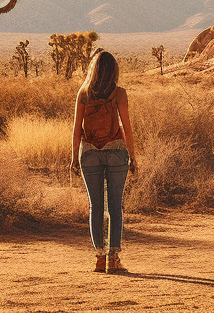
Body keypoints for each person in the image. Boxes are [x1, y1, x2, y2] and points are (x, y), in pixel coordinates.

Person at [71, 49, 137, 274]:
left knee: (95, 206)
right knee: (115, 206)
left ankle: (99, 257)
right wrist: (133, 157)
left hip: (89, 152)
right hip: (117, 151)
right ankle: (114, 258)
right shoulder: (119, 93)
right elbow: (126, 128)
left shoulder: (83, 93)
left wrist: (74, 157)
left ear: (93, 69)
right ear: (114, 70)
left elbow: (76, 130)